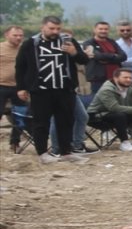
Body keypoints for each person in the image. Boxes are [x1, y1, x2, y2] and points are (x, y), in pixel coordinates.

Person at [14, 17, 89, 163]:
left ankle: (66, 151)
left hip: (64, 89)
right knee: (41, 122)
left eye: (58, 29)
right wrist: (21, 87)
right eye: (51, 28)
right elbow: (20, 66)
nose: (55, 32)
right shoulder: (31, 44)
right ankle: (42, 153)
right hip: (41, 90)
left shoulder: (68, 41)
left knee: (66, 121)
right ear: (43, 27)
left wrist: (74, 52)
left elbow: (84, 60)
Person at [86, 68, 132, 152]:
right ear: (115, 78)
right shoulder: (107, 89)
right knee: (120, 115)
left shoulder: (130, 89)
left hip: (117, 114)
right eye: (125, 77)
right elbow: (114, 108)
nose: (128, 80)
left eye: (130, 78)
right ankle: (124, 142)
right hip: (97, 117)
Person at [1, 25, 26, 153]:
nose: (18, 38)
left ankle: (15, 142)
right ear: (7, 35)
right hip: (1, 86)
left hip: (19, 88)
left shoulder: (24, 49)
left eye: (20, 35)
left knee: (20, 116)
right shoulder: (1, 48)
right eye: (15, 35)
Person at [84, 21, 125, 94]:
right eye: (101, 29)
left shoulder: (112, 42)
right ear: (95, 30)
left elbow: (123, 56)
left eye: (106, 29)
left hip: (115, 78)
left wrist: (106, 58)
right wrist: (114, 55)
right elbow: (97, 56)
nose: (103, 31)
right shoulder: (89, 43)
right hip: (98, 79)